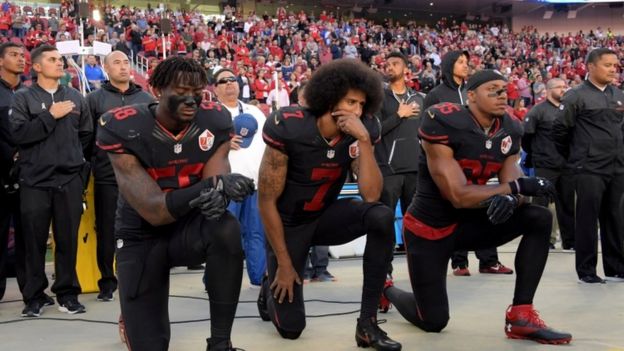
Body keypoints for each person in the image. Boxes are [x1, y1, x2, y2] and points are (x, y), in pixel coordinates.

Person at [382, 70, 572, 345]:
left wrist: (512, 197)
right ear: (470, 95)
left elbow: (513, 183)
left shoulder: (510, 127)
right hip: (431, 229)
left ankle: (521, 315)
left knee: (538, 217)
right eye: (492, 89)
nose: (502, 95)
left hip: (471, 224)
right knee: (433, 321)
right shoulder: (443, 119)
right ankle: (386, 290)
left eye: (504, 89)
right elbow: (457, 195)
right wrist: (514, 190)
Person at [96, 56, 254, 351]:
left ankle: (221, 343)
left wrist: (220, 193)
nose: (192, 98)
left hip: (188, 229)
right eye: (181, 89)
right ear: (157, 90)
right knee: (151, 345)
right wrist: (209, 187)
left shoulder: (215, 119)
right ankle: (133, 315)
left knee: (226, 227)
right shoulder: (123, 125)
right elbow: (155, 210)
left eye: (197, 90)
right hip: (140, 234)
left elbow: (216, 180)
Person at [257, 59, 401, 350]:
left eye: (362, 104)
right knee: (291, 329)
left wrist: (364, 141)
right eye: (350, 102)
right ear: (329, 97)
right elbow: (266, 201)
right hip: (288, 225)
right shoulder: (290, 125)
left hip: (324, 216)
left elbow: (371, 195)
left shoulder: (363, 130)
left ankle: (367, 324)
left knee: (381, 215)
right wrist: (284, 264)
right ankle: (268, 286)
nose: (357, 111)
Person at [9, 45, 92, 317]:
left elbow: (86, 137)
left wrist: (79, 172)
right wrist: (49, 116)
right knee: (32, 242)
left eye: (60, 59)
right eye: (52, 60)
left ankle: (67, 294)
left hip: (69, 180)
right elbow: (19, 135)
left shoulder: (77, 98)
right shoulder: (23, 98)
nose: (60, 63)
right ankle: (34, 296)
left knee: (67, 240)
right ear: (36, 67)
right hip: (34, 180)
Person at [423, 50, 512, 277]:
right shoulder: (436, 94)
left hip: (483, 159)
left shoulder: (475, 91)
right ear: (449, 64)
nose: (465, 65)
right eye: (460, 62)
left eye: (467, 62)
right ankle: (459, 262)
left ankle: (489, 260)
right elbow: (426, 134)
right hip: (451, 163)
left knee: (488, 204)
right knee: (458, 205)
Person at [86, 50, 155, 302]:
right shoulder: (94, 99)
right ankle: (107, 281)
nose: (124, 66)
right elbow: (87, 138)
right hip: (107, 175)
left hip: (141, 176)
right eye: (117, 62)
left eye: (126, 62)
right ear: (106, 68)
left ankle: (143, 276)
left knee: (144, 227)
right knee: (107, 229)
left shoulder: (146, 98)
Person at [552, 48, 624, 283]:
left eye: (615, 65)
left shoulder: (618, 94)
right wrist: (577, 157)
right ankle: (586, 271)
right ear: (591, 67)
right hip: (588, 168)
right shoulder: (576, 96)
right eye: (608, 65)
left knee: (614, 217)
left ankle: (615, 268)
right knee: (587, 219)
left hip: (616, 166)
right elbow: (560, 131)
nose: (614, 69)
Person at [211, 68, 267, 288]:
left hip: (253, 182)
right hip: (225, 185)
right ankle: (217, 280)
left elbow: (268, 142)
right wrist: (222, 144)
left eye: (232, 79)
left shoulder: (254, 111)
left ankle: (259, 279)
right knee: (223, 236)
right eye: (223, 81)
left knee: (256, 234)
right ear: (214, 89)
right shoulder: (210, 113)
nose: (229, 84)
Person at [374, 51, 423, 277]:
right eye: (387, 64)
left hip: (415, 170)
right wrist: (399, 115)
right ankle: (385, 274)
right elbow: (374, 132)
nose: (390, 67)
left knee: (416, 225)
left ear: (406, 69)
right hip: (388, 170)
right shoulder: (379, 98)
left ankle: (420, 272)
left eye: (395, 63)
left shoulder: (419, 99)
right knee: (384, 225)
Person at [522, 78, 575, 250]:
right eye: (559, 87)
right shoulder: (538, 111)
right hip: (545, 163)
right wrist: (535, 154)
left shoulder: (568, 109)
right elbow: (527, 137)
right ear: (549, 89)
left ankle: (570, 241)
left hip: (566, 164)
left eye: (565, 87)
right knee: (541, 203)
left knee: (567, 205)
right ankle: (540, 241)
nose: (563, 90)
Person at [0, 42, 27, 301]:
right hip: (2, 170)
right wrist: (10, 154)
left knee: (27, 234)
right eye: (13, 55)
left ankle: (29, 290)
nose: (20, 59)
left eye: (22, 55)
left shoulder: (29, 93)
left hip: (26, 173)